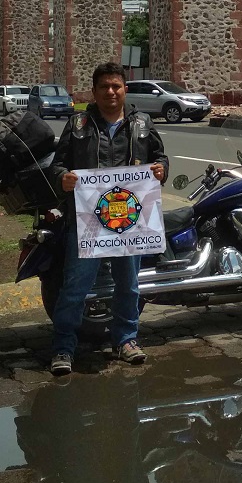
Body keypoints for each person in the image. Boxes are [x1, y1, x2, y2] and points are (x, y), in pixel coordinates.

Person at [48, 62, 168, 375]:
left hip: (130, 222)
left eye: (116, 86)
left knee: (128, 286)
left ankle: (126, 340)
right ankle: (63, 346)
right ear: (94, 91)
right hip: (87, 221)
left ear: (125, 89)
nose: (111, 92)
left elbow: (160, 158)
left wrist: (160, 170)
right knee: (75, 287)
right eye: (104, 87)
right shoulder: (79, 124)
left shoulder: (141, 123)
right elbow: (58, 164)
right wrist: (63, 178)